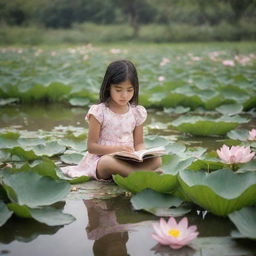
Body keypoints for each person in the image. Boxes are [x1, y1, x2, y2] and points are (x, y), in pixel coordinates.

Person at [61, 59, 162, 180]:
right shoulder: (99, 112)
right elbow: (92, 147)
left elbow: (139, 143)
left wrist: (141, 155)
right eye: (118, 90)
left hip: (128, 159)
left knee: (157, 159)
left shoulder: (137, 112)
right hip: (103, 160)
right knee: (108, 162)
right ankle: (138, 175)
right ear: (109, 87)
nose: (124, 95)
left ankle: (133, 172)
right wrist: (118, 149)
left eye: (129, 90)